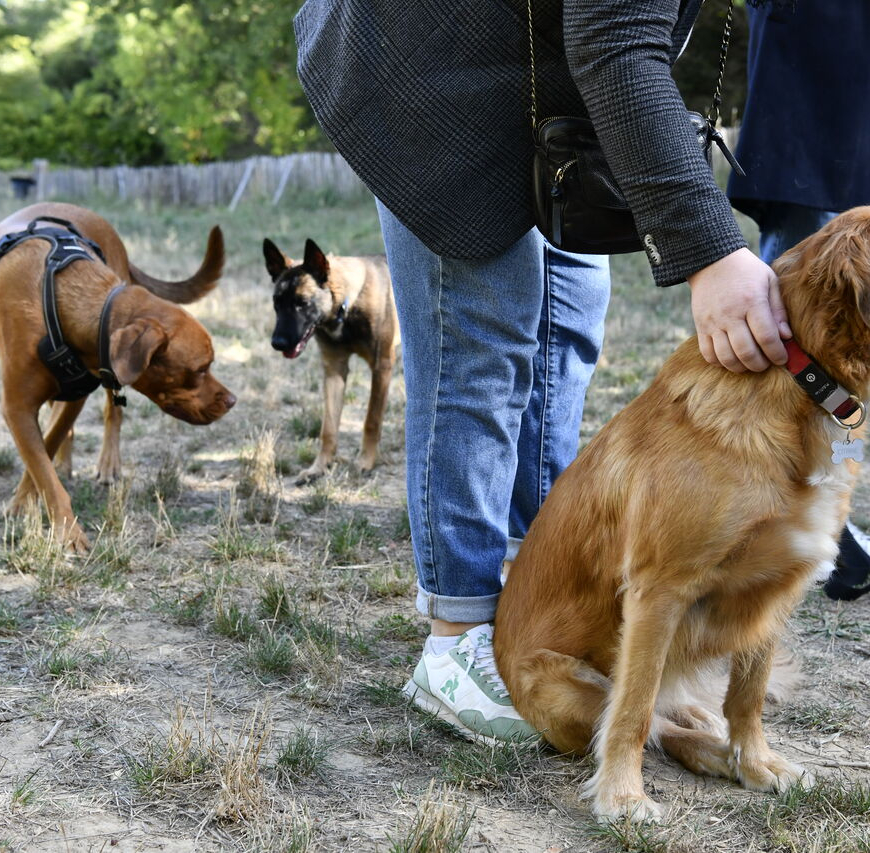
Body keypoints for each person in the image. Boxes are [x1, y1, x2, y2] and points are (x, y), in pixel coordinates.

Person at [294, 0, 788, 742]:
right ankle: (455, 636)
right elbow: (615, 37)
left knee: (570, 308)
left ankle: (538, 586)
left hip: (536, 82)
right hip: (424, 66)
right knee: (480, 333)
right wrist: (710, 253)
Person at [727, 0, 870, 599]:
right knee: (811, 298)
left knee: (863, 326)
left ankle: (824, 510)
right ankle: (768, 507)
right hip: (821, 37)